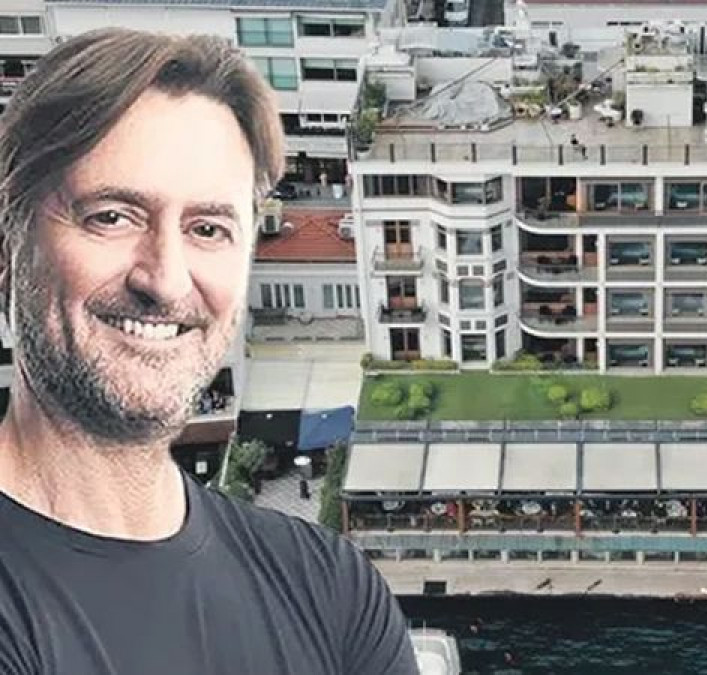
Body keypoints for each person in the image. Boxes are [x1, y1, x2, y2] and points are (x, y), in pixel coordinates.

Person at [0, 28, 419, 674]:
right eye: (112, 216)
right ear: (9, 245)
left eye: (208, 229)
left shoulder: (330, 589)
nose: (166, 279)